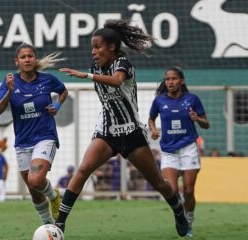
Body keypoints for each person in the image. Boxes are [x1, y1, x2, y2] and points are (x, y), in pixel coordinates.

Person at [56, 19, 188, 237]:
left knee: (158, 183)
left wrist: (85, 76)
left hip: (132, 132)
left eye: (97, 47)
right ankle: (59, 223)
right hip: (107, 132)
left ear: (112, 47)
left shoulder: (123, 63)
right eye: (92, 47)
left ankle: (177, 209)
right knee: (83, 170)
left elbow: (117, 81)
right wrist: (90, 73)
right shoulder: (97, 67)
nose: (94, 52)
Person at [0, 43, 68, 224]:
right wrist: (9, 93)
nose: (27, 59)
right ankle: (49, 227)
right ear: (17, 62)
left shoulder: (47, 79)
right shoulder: (9, 82)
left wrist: (57, 105)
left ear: (35, 59)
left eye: (30, 56)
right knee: (34, 191)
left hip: (45, 137)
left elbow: (63, 91)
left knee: (36, 181)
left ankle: (54, 195)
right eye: (23, 57)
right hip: (22, 142)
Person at [148, 66, 210, 237]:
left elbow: (207, 124)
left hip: (189, 148)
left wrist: (197, 119)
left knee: (188, 191)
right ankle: (180, 216)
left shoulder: (192, 99)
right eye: (168, 79)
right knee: (172, 192)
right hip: (168, 150)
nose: (170, 82)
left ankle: (189, 219)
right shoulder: (159, 101)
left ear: (181, 81)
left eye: (174, 79)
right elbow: (151, 118)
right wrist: (153, 129)